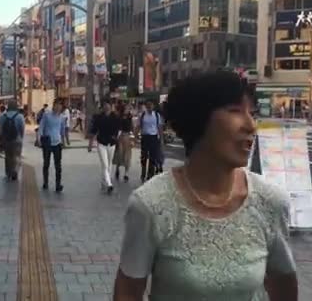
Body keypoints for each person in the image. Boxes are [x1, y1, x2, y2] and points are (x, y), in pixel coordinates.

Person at [114, 72, 298, 301]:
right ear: (199, 120)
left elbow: (284, 286)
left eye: (251, 113)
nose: (251, 125)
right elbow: (127, 292)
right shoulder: (150, 205)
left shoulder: (270, 201)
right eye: (235, 111)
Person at [88, 101, 121, 194]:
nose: (106, 107)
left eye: (108, 105)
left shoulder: (115, 117)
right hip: (101, 143)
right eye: (105, 106)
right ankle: (109, 184)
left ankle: (104, 180)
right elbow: (94, 131)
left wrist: (116, 137)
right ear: (102, 107)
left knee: (109, 164)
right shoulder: (98, 118)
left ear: (111, 106)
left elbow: (119, 129)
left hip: (112, 143)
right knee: (105, 164)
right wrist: (90, 144)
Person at [38, 100, 66, 192]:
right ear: (53, 106)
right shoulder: (47, 115)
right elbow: (41, 127)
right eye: (57, 105)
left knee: (58, 165)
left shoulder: (62, 117)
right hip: (47, 142)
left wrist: (63, 141)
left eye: (60, 105)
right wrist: (39, 138)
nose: (58, 107)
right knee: (46, 163)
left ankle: (58, 184)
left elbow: (62, 131)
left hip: (57, 143)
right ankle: (45, 182)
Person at [0, 100, 25, 180]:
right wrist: (21, 137)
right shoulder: (20, 116)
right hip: (17, 140)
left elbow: (0, 129)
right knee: (17, 156)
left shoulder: (3, 116)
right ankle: (15, 170)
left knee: (8, 156)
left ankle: (8, 172)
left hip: (6, 140)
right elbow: (22, 129)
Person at [138, 101, 164, 182]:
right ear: (146, 106)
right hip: (145, 137)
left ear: (153, 106)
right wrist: (135, 137)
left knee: (153, 157)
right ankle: (143, 173)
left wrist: (161, 139)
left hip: (154, 137)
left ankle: (150, 174)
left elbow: (159, 127)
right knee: (144, 156)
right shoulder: (142, 115)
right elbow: (139, 126)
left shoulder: (156, 115)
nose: (149, 106)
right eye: (148, 105)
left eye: (151, 105)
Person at [114, 104, 133, 182]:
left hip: (128, 137)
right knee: (119, 154)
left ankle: (126, 174)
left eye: (129, 108)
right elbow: (117, 128)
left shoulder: (130, 117)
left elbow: (131, 128)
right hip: (120, 137)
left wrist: (132, 139)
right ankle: (117, 168)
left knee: (127, 156)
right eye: (127, 108)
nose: (128, 109)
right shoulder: (119, 117)